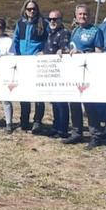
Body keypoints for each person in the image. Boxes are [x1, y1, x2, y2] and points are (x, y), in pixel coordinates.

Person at [65, 4, 106, 147]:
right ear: (75, 16)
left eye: (85, 14)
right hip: (75, 73)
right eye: (80, 14)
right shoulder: (75, 30)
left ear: (89, 15)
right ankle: (77, 133)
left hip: (88, 73)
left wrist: (83, 55)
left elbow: (99, 53)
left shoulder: (96, 31)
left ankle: (96, 135)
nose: (82, 16)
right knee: (74, 102)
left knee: (89, 105)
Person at [10, 0, 48, 133]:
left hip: (37, 64)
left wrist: (44, 51)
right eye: (29, 9)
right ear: (24, 10)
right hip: (22, 63)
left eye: (34, 9)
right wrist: (14, 54)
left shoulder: (43, 23)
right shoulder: (20, 24)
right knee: (24, 93)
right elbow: (15, 41)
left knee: (38, 94)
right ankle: (24, 121)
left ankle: (37, 121)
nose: (31, 11)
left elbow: (48, 41)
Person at [44, 9, 72, 139]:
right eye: (50, 19)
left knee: (61, 101)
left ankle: (63, 129)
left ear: (61, 20)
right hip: (50, 70)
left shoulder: (64, 33)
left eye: (55, 19)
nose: (52, 21)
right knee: (54, 101)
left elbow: (65, 48)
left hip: (61, 72)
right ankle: (55, 126)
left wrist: (62, 50)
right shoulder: (49, 33)